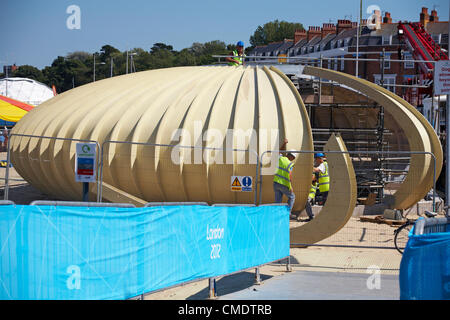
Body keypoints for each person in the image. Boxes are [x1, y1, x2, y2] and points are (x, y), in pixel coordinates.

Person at [273, 138, 296, 212]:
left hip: (276, 183)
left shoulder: (281, 159)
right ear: (292, 157)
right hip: (284, 185)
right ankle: (287, 213)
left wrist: (284, 143)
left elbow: (278, 152)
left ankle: (276, 214)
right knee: (292, 197)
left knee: (278, 201)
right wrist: (291, 186)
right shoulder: (290, 164)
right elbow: (290, 176)